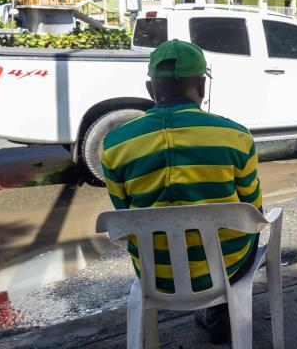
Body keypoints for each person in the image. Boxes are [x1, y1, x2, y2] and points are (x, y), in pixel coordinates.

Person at [101, 40, 262, 345]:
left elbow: (122, 214)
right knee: (249, 231)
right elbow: (253, 208)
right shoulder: (235, 136)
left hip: (155, 273)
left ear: (151, 89)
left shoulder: (114, 144)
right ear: (201, 86)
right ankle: (218, 312)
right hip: (227, 268)